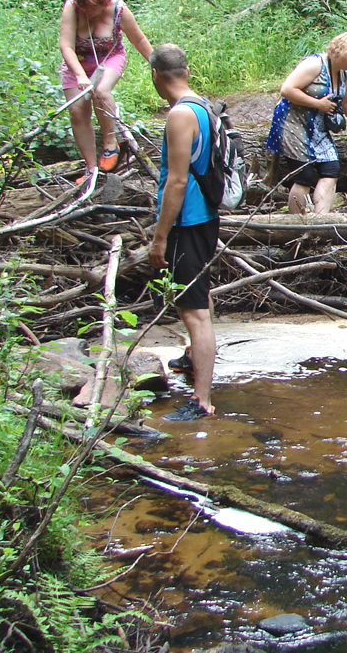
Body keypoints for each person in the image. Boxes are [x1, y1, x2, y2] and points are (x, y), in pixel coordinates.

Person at [147, 44, 219, 421]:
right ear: (187, 71)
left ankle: (201, 401)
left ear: (155, 75)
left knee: (194, 313)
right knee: (197, 298)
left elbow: (176, 182)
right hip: (205, 215)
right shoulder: (203, 105)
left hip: (186, 221)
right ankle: (193, 357)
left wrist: (159, 236)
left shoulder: (179, 115)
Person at [264, 32, 347, 213]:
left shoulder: (343, 74)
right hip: (292, 125)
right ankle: (296, 222)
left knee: (331, 170)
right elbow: (287, 89)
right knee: (304, 177)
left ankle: (321, 220)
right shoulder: (314, 64)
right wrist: (317, 104)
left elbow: (346, 101)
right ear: (339, 54)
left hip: (317, 128)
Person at [58, 0, 153, 175]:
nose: (86, 12)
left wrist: (157, 65)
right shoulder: (72, 7)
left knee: (101, 91)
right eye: (83, 7)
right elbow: (66, 46)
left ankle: (110, 143)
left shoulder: (118, 8)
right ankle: (91, 169)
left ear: (104, 1)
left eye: (91, 8)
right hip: (77, 62)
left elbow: (138, 39)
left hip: (109, 58)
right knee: (77, 111)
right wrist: (80, 75)